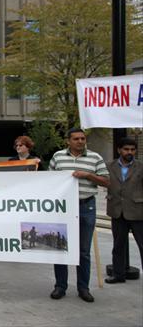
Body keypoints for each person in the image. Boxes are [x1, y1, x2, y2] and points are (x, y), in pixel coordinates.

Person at [49, 128, 109, 303]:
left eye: (83, 138)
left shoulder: (95, 158)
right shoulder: (58, 157)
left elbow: (107, 181)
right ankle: (60, 286)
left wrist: (89, 175)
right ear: (68, 141)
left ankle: (83, 287)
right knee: (60, 247)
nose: (80, 141)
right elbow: (50, 180)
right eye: (76, 138)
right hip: (63, 208)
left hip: (85, 206)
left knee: (83, 251)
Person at [105, 137, 143, 284]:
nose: (130, 152)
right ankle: (118, 274)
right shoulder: (109, 166)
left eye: (132, 150)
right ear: (119, 150)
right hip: (117, 211)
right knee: (118, 245)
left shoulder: (140, 166)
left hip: (137, 211)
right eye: (126, 149)